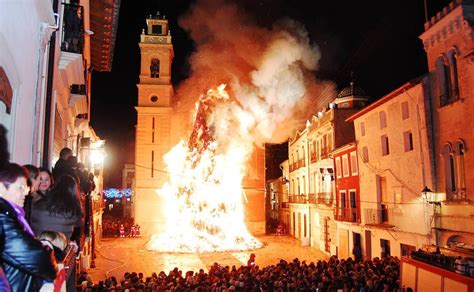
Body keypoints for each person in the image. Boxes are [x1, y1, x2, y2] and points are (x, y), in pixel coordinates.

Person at [0, 163, 57, 290]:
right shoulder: (4, 218)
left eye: (26, 188)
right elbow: (39, 259)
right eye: (20, 188)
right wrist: (48, 252)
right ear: (1, 188)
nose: (25, 193)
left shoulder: (12, 214)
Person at [29, 174, 84, 252]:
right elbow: (79, 227)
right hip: (60, 251)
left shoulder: (39, 203)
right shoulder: (73, 208)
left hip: (37, 247)